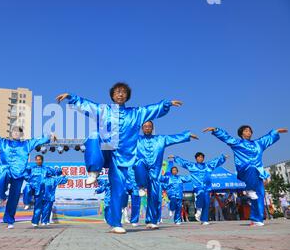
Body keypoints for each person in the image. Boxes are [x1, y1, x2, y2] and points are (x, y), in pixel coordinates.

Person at [56, 82, 183, 233]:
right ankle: (93, 170)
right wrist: (72, 98)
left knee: (119, 190)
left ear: (127, 96)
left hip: (122, 157)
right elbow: (88, 105)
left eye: (123, 92)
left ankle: (116, 223)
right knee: (94, 135)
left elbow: (152, 109)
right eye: (117, 92)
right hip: (105, 150)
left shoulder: (136, 113)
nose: (120, 94)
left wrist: (166, 104)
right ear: (112, 95)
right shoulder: (104, 110)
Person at [204, 126, 287, 226]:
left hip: (258, 172)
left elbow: (267, 138)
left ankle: (257, 219)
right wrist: (216, 130)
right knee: (252, 169)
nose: (249, 133)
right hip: (245, 169)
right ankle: (249, 189)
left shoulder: (258, 143)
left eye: (250, 131)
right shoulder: (237, 143)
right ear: (241, 133)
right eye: (246, 131)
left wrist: (275, 131)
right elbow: (226, 137)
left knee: (259, 195)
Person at [0, 127, 56, 229]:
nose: (15, 133)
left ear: (21, 134)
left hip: (19, 174)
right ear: (11, 133)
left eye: (18, 132)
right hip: (7, 169)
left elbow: (38, 140)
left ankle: (10, 220)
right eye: (14, 131)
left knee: (14, 198)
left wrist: (49, 136)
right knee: (2, 177)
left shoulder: (26, 144)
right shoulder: (3, 142)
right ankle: (1, 196)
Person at [134, 121, 198, 229]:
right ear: (142, 129)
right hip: (143, 168)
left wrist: (186, 135)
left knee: (153, 197)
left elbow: (173, 138)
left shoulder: (160, 139)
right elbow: (123, 139)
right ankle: (141, 185)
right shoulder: (136, 139)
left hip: (155, 171)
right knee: (138, 164)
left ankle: (151, 221)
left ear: (152, 128)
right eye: (145, 127)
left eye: (149, 126)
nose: (147, 128)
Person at [170, 152, 227, 225]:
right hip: (198, 186)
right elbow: (184, 162)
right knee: (201, 193)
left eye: (201, 157)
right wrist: (175, 157)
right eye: (199, 157)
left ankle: (204, 220)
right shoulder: (192, 166)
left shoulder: (208, 165)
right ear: (196, 158)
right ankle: (199, 209)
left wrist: (223, 158)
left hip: (207, 187)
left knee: (206, 202)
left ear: (203, 158)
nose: (200, 158)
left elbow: (215, 162)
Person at [24, 155, 58, 227]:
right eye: (37, 159)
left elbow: (55, 173)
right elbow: (25, 174)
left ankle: (40, 221)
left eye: (39, 159)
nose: (38, 161)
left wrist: (59, 171)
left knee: (42, 207)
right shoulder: (31, 168)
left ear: (42, 160)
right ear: (35, 160)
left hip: (43, 190)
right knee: (27, 189)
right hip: (34, 187)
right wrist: (29, 179)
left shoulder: (46, 169)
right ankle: (27, 203)